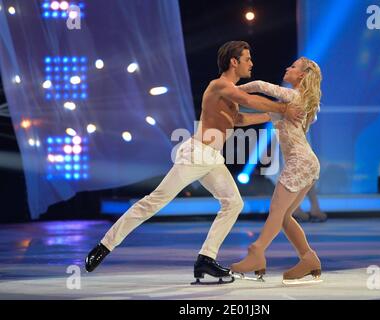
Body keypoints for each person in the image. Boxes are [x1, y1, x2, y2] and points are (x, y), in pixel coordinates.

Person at [84, 41, 304, 285]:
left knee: (233, 203)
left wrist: (273, 115)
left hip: (211, 158)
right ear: (234, 61)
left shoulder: (229, 94)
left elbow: (239, 118)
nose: (251, 63)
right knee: (154, 202)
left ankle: (206, 259)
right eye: (247, 59)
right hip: (196, 154)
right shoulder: (220, 85)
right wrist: (284, 108)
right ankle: (105, 245)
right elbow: (248, 100)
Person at [230, 57, 323, 285]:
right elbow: (254, 117)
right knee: (284, 217)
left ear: (301, 75)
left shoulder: (294, 96)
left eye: (292, 66)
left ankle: (257, 251)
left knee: (276, 211)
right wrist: (227, 117)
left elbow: (260, 85)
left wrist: (229, 90)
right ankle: (309, 259)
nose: (287, 67)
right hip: (306, 162)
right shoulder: (289, 105)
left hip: (300, 161)